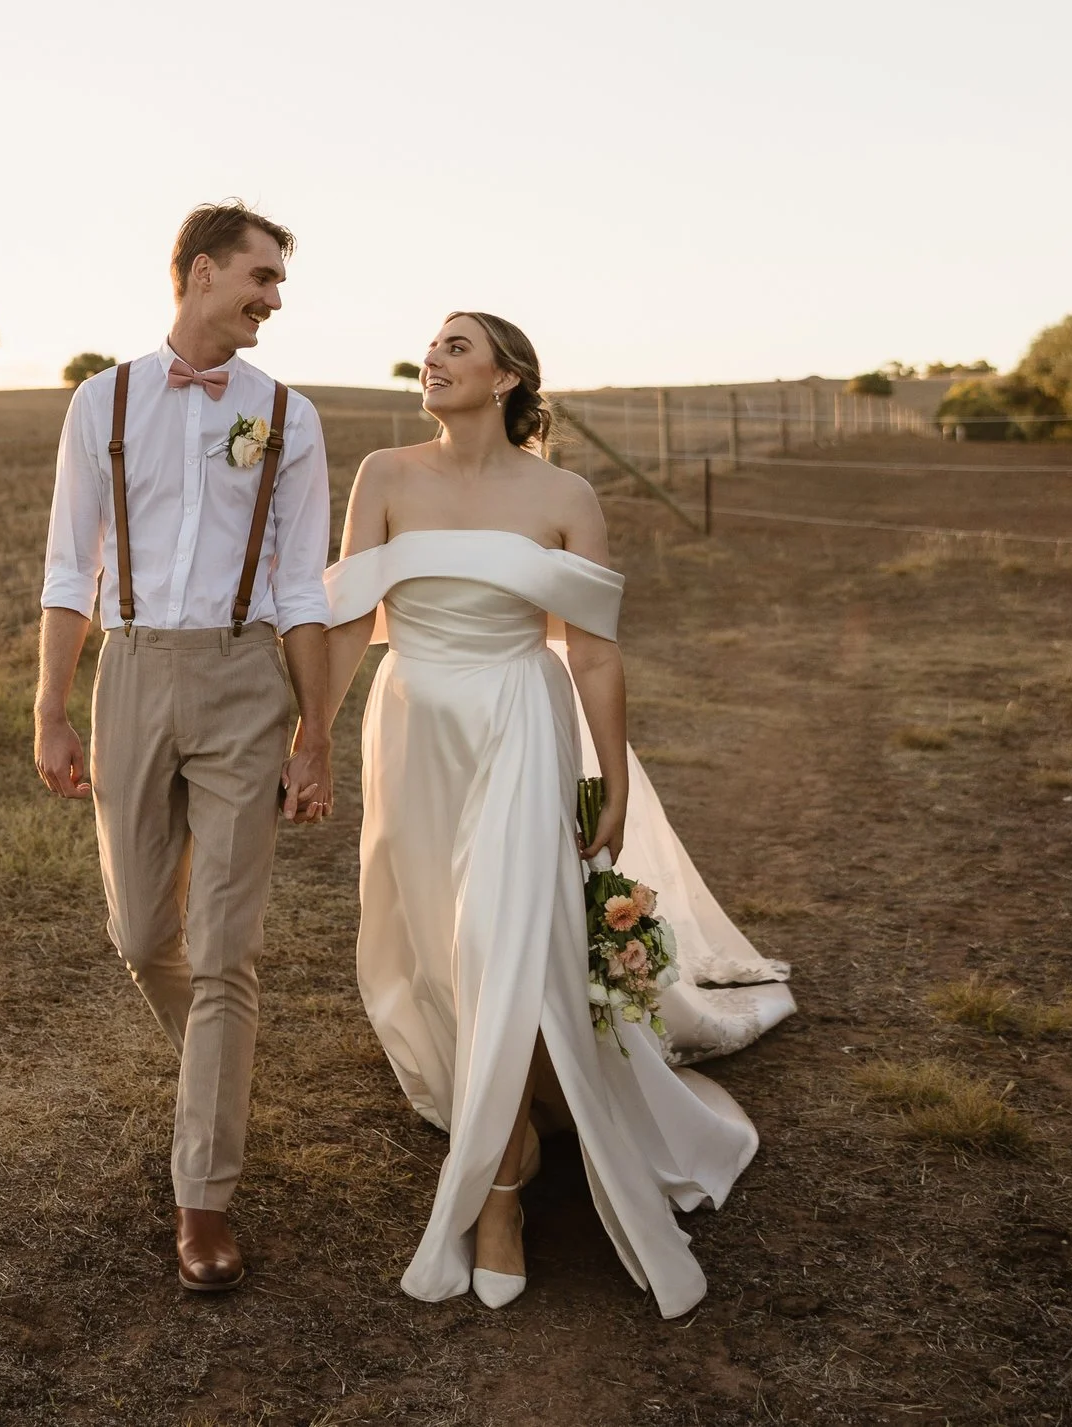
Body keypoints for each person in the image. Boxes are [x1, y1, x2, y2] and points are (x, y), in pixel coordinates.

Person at [310, 312, 793, 1317]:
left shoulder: (564, 493)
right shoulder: (382, 474)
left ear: (507, 376)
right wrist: (308, 731)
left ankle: (499, 1192)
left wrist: (608, 777)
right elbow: (352, 617)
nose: (432, 359)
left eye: (454, 345)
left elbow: (595, 649)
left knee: (507, 935)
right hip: (410, 731)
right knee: (437, 941)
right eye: (429, 347)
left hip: (522, 724)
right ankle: (501, 1104)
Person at [32, 201, 336, 1292]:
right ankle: (224, 1065)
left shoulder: (287, 416)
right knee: (137, 928)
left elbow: (305, 583)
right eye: (259, 277)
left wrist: (316, 730)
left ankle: (201, 1197)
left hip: (247, 675)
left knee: (223, 949)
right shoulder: (99, 400)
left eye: (277, 283)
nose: (272, 298)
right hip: (130, 671)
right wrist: (51, 708)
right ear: (199, 273)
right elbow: (71, 565)